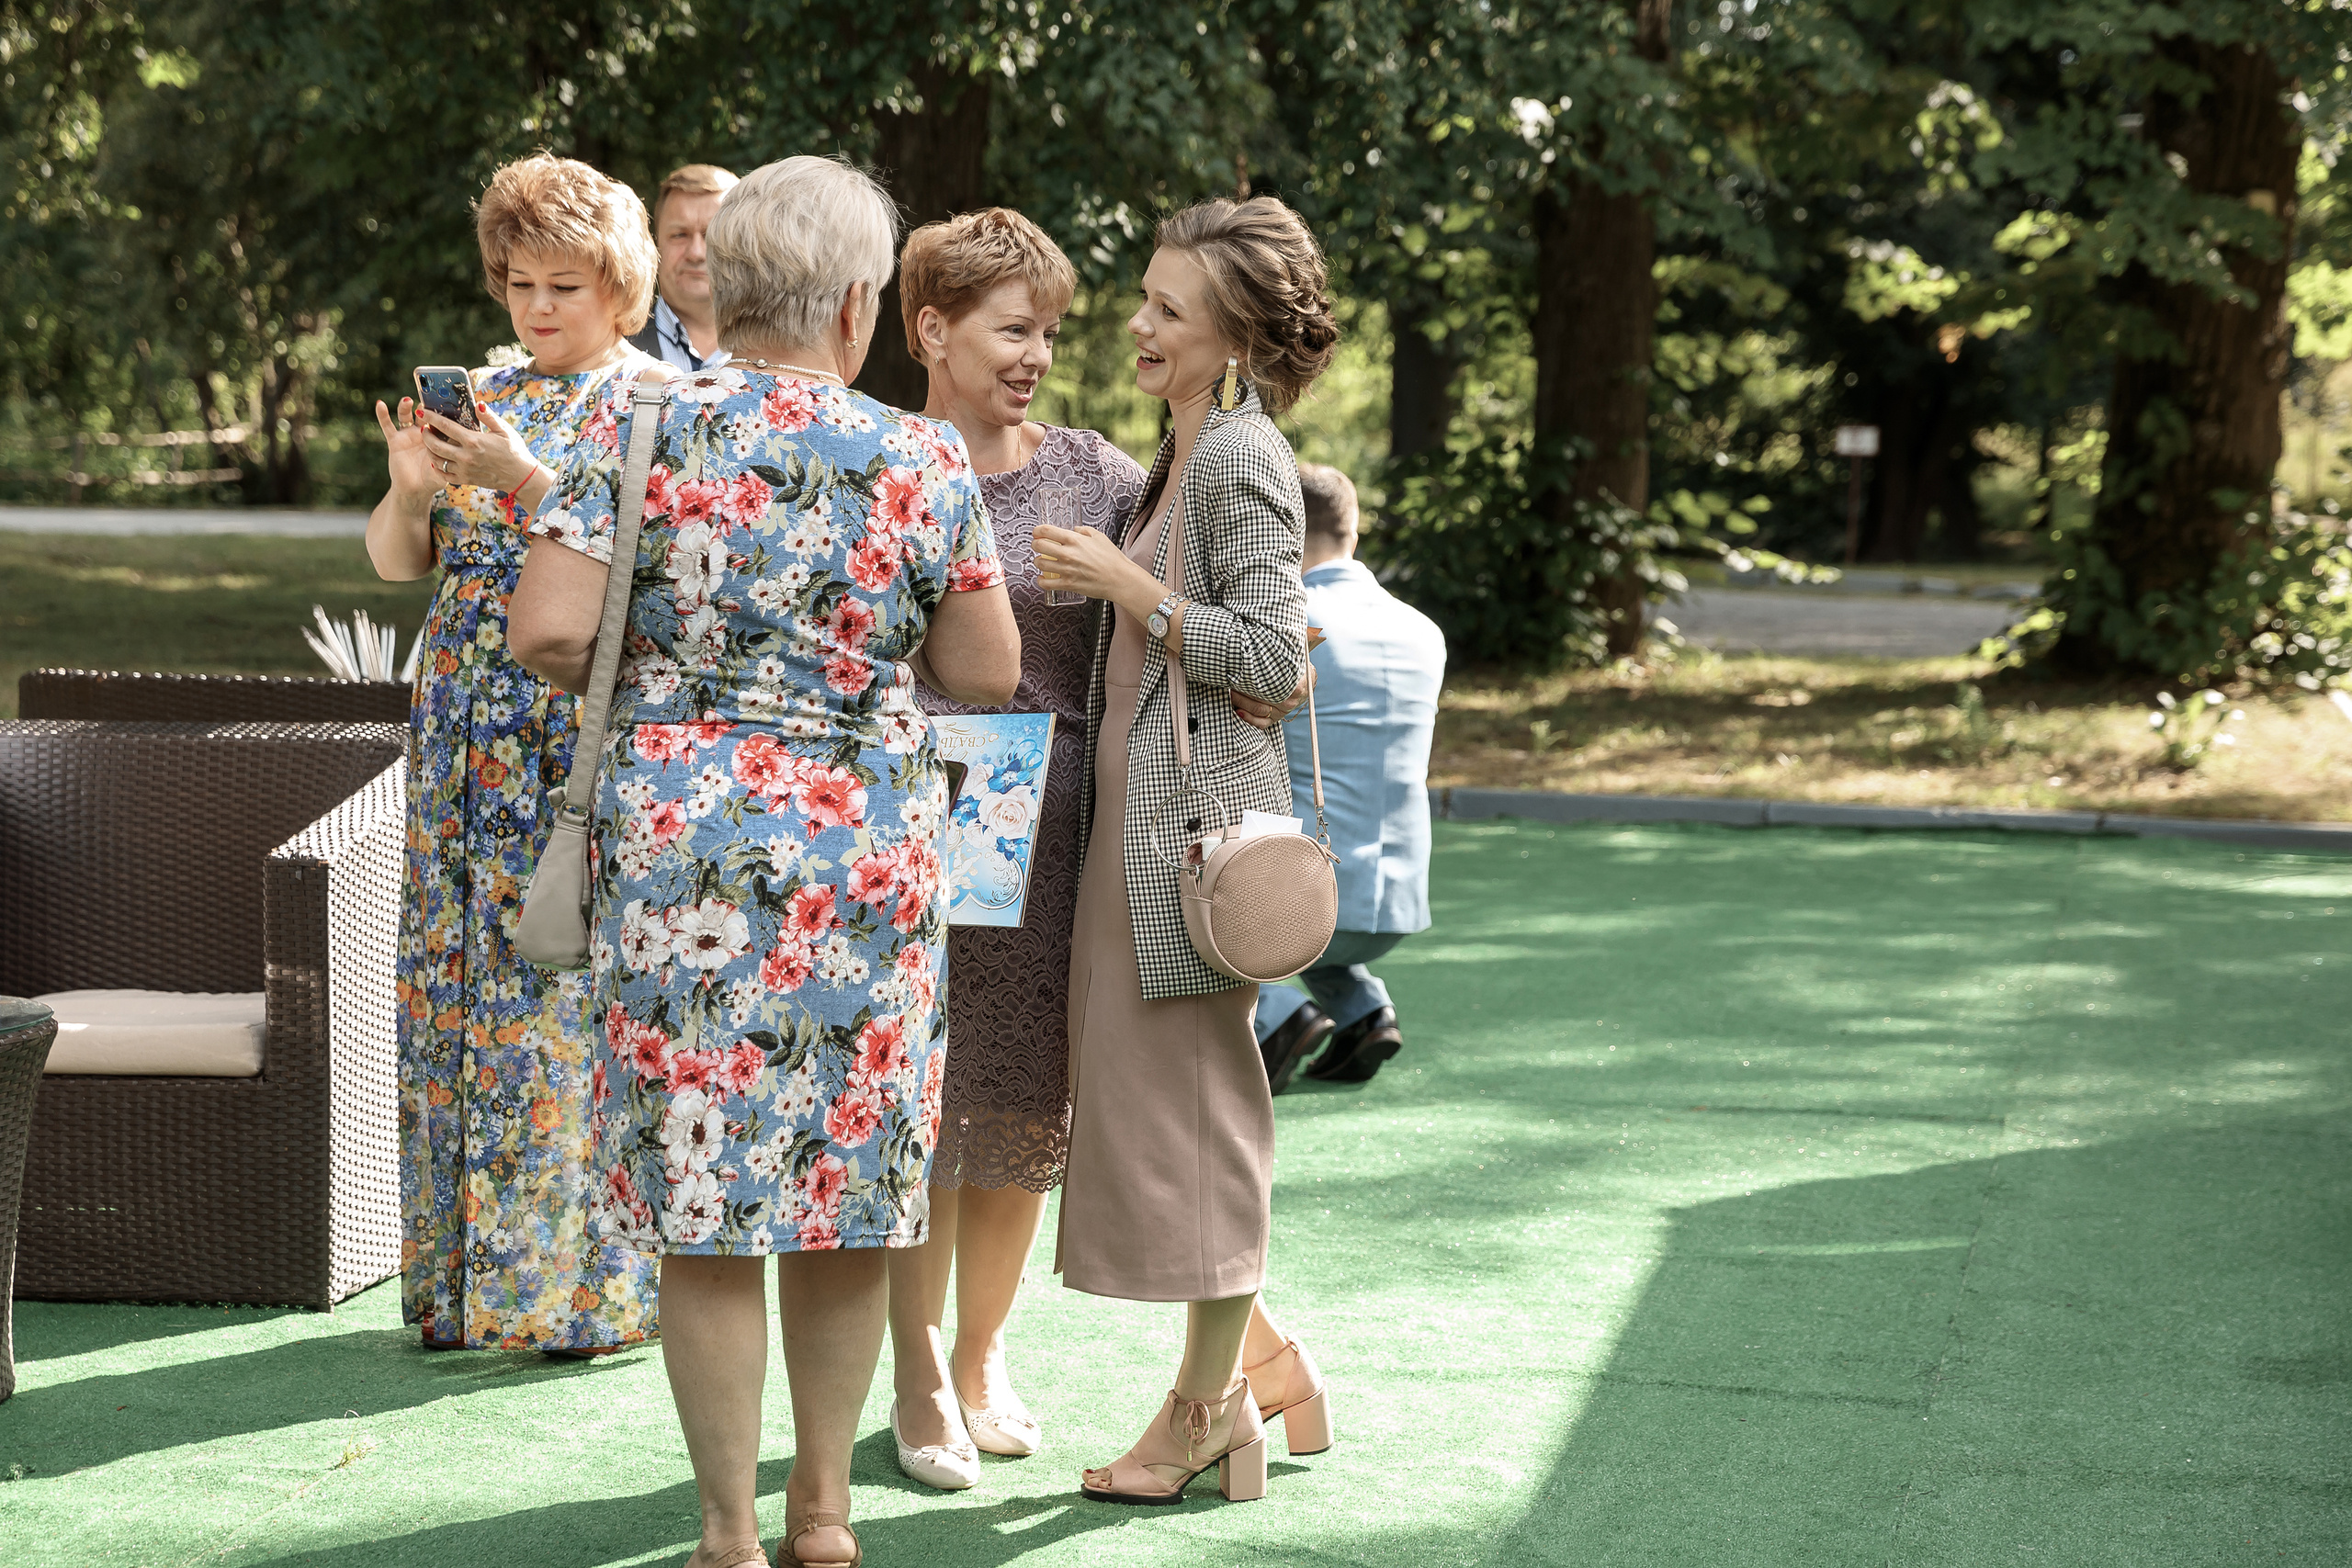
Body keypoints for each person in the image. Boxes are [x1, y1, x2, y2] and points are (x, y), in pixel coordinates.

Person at [510, 154, 1018, 1568]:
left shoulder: (634, 421)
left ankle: (727, 1530)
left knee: (708, 1202)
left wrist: (677, 687)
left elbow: (547, 629)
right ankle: (827, 1514)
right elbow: (986, 668)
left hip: (680, 848)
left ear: (720, 282)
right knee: (842, 1193)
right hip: (860, 853)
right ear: (857, 305)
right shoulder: (918, 454)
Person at [1032, 195, 1340, 1505]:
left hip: (1192, 848)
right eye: (1145, 298)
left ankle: (1206, 1412)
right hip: (1142, 833)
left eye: (1169, 309)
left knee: (1202, 1119)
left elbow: (1270, 654)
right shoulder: (1187, 444)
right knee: (1159, 1110)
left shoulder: (1241, 456)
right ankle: (1266, 1367)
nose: (1139, 324)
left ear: (1237, 336)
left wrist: (1131, 589)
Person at [366, 152, 665, 1354]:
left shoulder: (654, 403)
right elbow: (402, 562)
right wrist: (410, 490)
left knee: (562, 992)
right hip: (458, 728)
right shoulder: (481, 394)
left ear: (622, 287)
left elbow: (647, 563)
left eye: (565, 285)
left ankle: (574, 1294)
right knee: (456, 986)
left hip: (569, 721)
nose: (538, 307)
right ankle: (459, 1285)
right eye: (520, 282)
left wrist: (523, 478)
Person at [883, 209, 1148, 1489]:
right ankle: (916, 1364)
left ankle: (984, 1352)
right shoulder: (882, 461)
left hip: (1053, 849)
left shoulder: (1097, 474)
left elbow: (1174, 597)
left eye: (1048, 330)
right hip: (903, 836)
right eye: (1011, 329)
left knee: (1025, 1105)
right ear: (931, 330)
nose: (1037, 354)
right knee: (917, 1108)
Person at [1249, 464, 1445, 1091]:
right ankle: (1364, 1011)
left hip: (1304, 904)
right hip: (1398, 901)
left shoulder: (1286, 620)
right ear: (1353, 534)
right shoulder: (1423, 630)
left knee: (1174, 891)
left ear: (1281, 531)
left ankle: (1277, 1011)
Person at [627, 164, 739, 371]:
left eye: (712, 235)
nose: (696, 253)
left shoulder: (782, 348)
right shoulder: (615, 348)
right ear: (654, 245)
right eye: (680, 235)